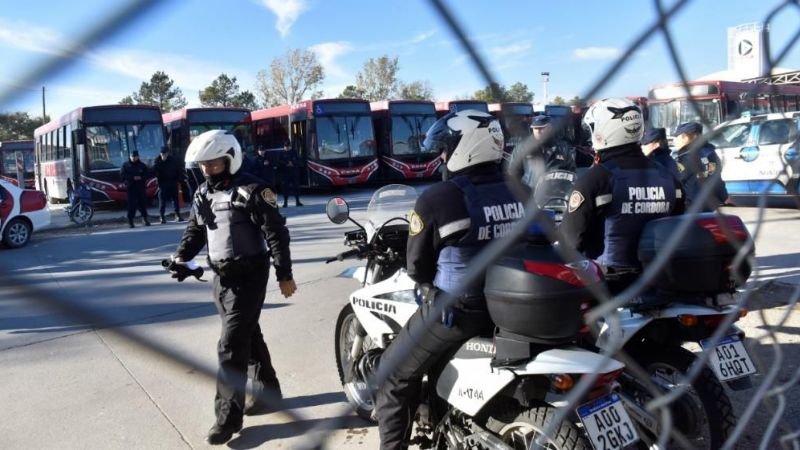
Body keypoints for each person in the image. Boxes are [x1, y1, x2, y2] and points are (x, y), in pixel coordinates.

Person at [365, 110, 522, 450]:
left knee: (391, 377)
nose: (441, 155)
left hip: (462, 310)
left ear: (467, 146)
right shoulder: (520, 189)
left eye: (446, 147)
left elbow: (418, 266)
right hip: (512, 305)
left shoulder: (439, 197)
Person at [165, 130, 297, 445]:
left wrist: (284, 273)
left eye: (213, 164)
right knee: (247, 334)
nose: (207, 170)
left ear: (230, 159)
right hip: (220, 278)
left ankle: (227, 418)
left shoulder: (254, 190)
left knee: (229, 346)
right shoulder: (201, 194)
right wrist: (182, 258)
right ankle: (268, 392)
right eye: (203, 165)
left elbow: (276, 233)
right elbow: (196, 230)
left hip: (250, 274)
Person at [560, 98, 685, 294]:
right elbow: (679, 222)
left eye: (594, 127)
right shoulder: (668, 176)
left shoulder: (595, 179)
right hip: (661, 277)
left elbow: (571, 239)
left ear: (606, 130)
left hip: (609, 281)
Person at [673, 121, 729, 211]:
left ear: (686, 137)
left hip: (690, 208)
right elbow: (716, 179)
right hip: (710, 206)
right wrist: (724, 196)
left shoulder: (686, 157)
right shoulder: (711, 153)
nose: (674, 141)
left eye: (676, 137)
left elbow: (676, 182)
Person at [508, 115, 576, 189]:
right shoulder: (522, 148)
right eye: (535, 128)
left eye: (542, 128)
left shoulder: (563, 148)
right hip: (531, 193)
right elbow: (513, 172)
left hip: (555, 193)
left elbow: (571, 172)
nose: (538, 131)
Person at [153, 147, 185, 223]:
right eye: (162, 153)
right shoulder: (157, 161)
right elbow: (154, 171)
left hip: (172, 182)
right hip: (162, 183)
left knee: (175, 200)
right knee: (162, 201)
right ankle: (162, 216)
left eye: (164, 153)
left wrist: (179, 179)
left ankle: (177, 215)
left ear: (167, 153)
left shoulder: (173, 160)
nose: (163, 155)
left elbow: (178, 170)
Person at [120, 150, 151, 228]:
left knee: (142, 204)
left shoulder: (142, 165)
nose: (133, 158)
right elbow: (122, 175)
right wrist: (132, 178)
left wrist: (141, 177)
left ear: (138, 157)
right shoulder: (125, 165)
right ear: (130, 157)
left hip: (140, 187)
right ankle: (130, 221)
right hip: (131, 188)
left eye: (135, 156)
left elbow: (147, 174)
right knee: (131, 205)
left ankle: (145, 219)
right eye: (132, 156)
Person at [277, 140, 303, 207]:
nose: (287, 148)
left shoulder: (294, 152)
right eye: (285, 146)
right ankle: (285, 203)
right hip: (285, 173)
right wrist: (286, 164)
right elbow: (279, 163)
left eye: (288, 146)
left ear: (290, 146)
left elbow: (299, 161)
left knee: (296, 187)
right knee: (285, 188)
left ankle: (298, 201)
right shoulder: (281, 153)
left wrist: (293, 163)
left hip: (294, 173)